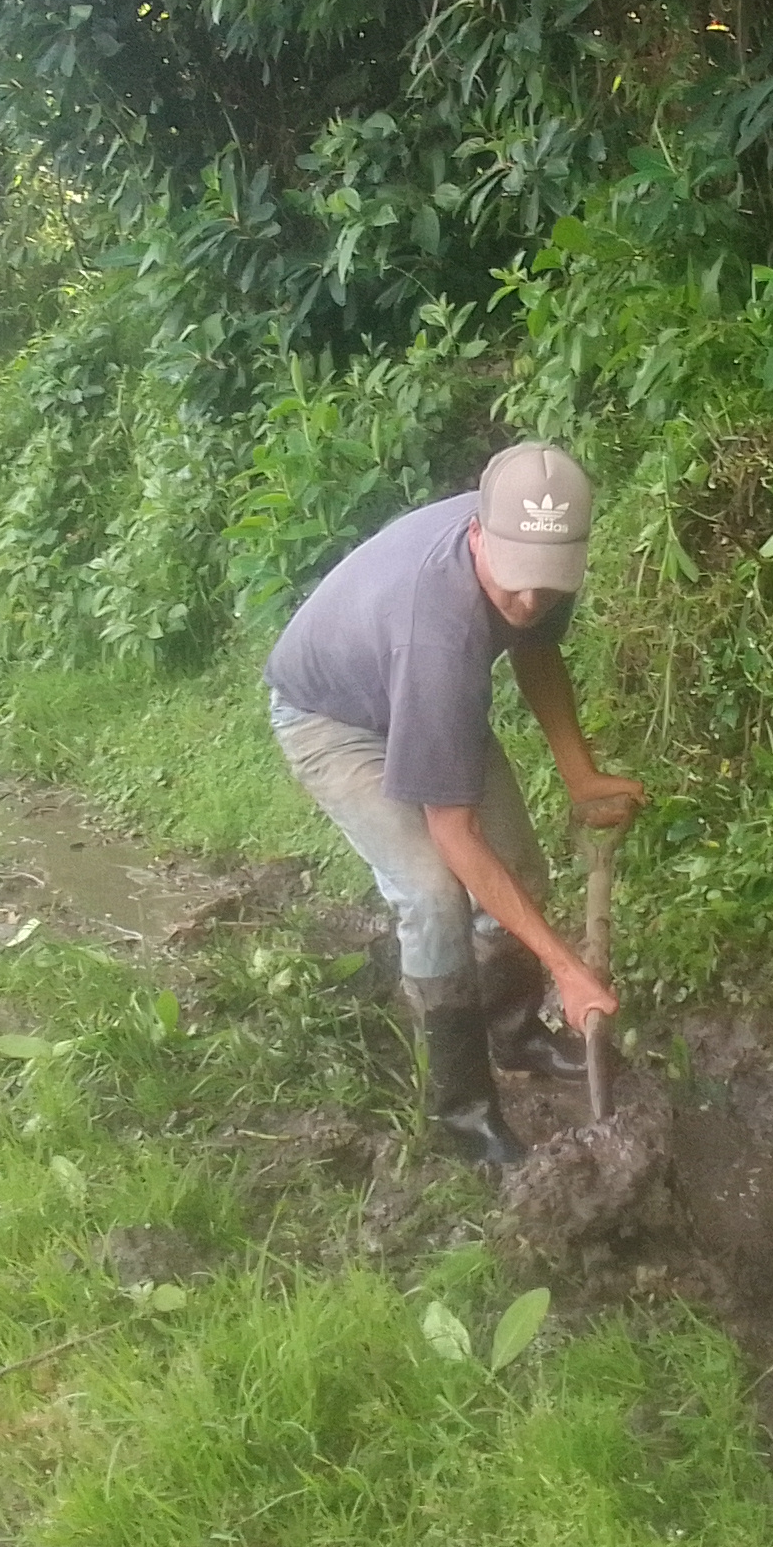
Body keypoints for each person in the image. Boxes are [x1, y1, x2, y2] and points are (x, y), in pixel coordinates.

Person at [263, 442, 646, 1164]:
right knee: (434, 894)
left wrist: (581, 777)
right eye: (515, 586)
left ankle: (516, 1037)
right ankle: (464, 1114)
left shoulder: (535, 550)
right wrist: (568, 969)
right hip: (334, 717)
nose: (528, 603)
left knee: (519, 868)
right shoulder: (436, 630)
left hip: (414, 690)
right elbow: (456, 835)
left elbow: (536, 649)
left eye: (546, 587)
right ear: (478, 535)